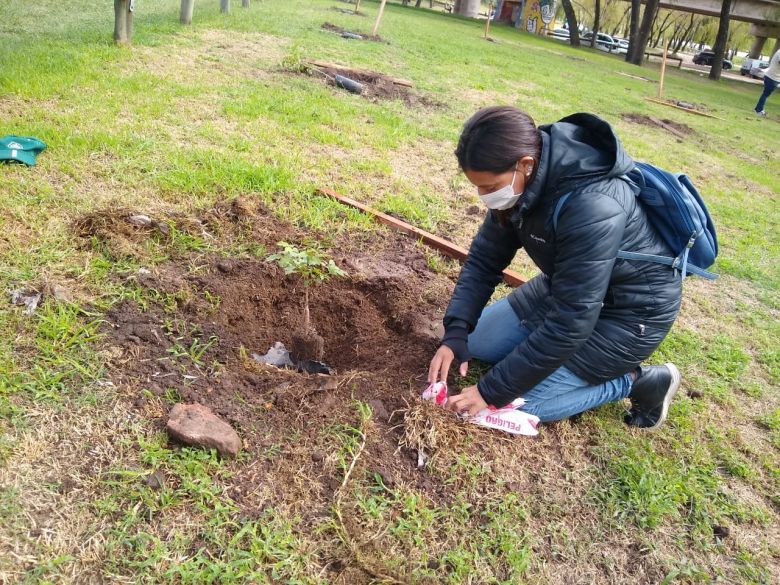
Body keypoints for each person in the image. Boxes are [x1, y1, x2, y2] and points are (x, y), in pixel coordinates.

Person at [427, 107, 683, 429]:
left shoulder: (593, 205)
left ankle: (639, 381)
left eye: (491, 188)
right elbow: (484, 260)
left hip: (629, 316)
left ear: (526, 164)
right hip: (567, 289)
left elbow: (571, 321)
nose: (485, 198)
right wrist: (456, 331)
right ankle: (540, 352)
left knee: (519, 405)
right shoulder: (519, 183)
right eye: (478, 187)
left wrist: (489, 390)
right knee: (476, 343)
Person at [755, 49, 780, 116]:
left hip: (773, 76)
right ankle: (759, 111)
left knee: (765, 94)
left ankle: (758, 109)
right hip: (773, 77)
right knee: (765, 94)